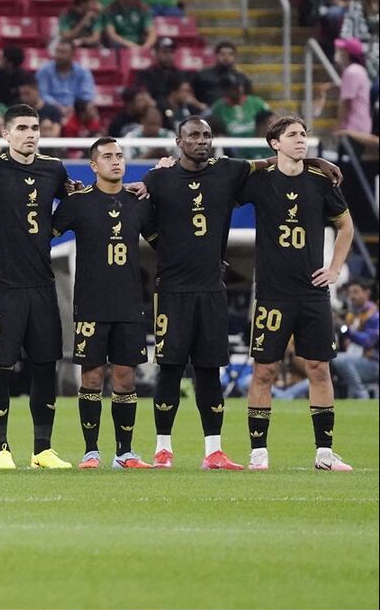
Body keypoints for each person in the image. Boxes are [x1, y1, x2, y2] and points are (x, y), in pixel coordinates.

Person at [142, 117, 339, 469]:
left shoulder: (228, 171)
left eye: (206, 135)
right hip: (171, 290)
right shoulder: (159, 177)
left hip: (212, 290)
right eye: (193, 135)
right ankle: (162, 448)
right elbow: (142, 217)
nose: (201, 141)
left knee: (209, 370)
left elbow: (273, 160)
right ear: (178, 141)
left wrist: (315, 162)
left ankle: (213, 451)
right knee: (170, 369)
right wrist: (166, 249)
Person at [239, 116, 354, 471]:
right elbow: (219, 184)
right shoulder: (260, 181)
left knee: (319, 368)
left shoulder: (320, 180)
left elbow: (345, 226)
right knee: (264, 370)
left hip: (312, 293)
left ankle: (324, 453)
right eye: (293, 135)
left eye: (304, 134)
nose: (302, 140)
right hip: (273, 293)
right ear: (275, 143)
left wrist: (334, 269)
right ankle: (259, 452)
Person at [0, 104, 75, 470]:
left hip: (42, 283)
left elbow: (80, 202)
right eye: (21, 128)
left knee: (44, 366)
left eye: (34, 127)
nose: (30, 134)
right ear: (6, 134)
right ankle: (0, 448)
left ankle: (42, 450)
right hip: (5, 283)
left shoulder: (54, 169)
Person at [52, 137, 154, 469]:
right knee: (92, 377)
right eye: (108, 157)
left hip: (129, 304)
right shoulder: (78, 203)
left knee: (126, 377)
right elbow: (42, 234)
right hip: (91, 304)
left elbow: (164, 243)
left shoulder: (138, 201)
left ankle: (124, 453)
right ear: (93, 166)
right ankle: (91, 452)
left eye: (120, 156)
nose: (116, 161)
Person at [331, 278, 379, 399]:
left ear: (367, 293)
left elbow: (369, 340)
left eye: (356, 292)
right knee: (325, 364)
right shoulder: (352, 315)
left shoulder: (374, 314)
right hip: (354, 360)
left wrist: (347, 331)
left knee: (339, 360)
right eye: (350, 292)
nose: (352, 296)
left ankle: (362, 395)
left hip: (373, 362)